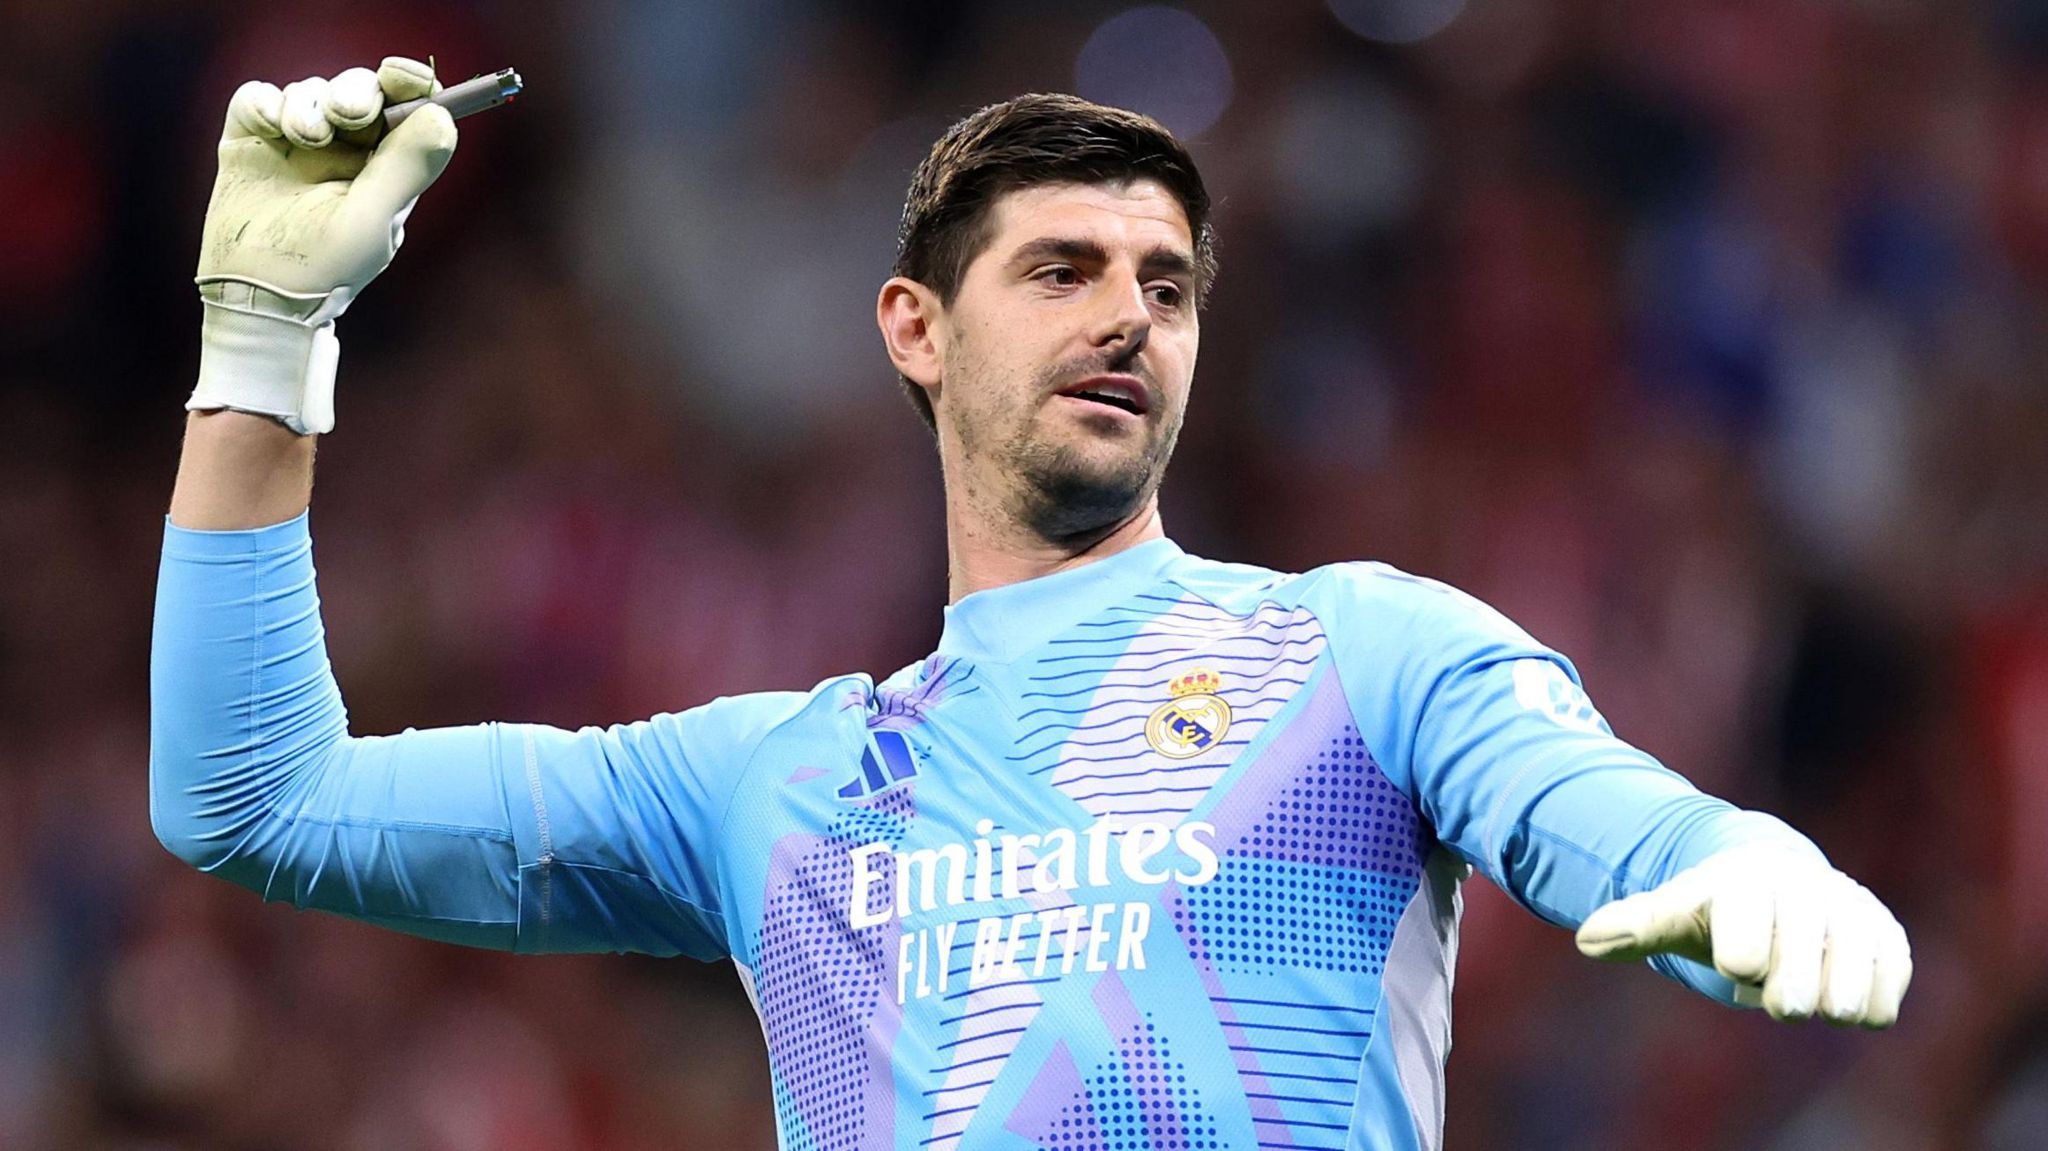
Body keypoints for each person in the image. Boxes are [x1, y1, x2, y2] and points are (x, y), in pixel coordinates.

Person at [152, 57, 1912, 1151]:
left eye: (1167, 286)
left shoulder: (1364, 650)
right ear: (915, 328)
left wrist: (1734, 853)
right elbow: (253, 798)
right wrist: (261, 340)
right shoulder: (771, 780)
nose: (1127, 318)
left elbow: (1586, 804)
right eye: (1061, 271)